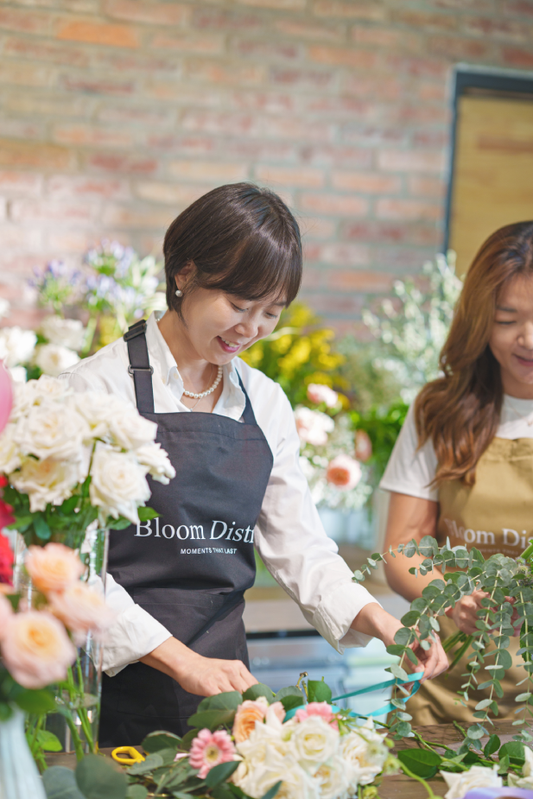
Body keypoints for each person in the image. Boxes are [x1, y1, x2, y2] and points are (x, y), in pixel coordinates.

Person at [61, 183, 447, 746]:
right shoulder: (95, 389)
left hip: (223, 689)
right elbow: (74, 566)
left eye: (271, 313)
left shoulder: (264, 403)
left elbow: (301, 550)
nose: (251, 329)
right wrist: (178, 659)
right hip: (102, 687)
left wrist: (384, 623)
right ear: (185, 273)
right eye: (238, 305)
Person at [380, 220, 533, 725]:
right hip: (443, 698)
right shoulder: (441, 408)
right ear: (479, 319)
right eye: (507, 318)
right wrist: (451, 596)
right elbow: (403, 547)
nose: (527, 339)